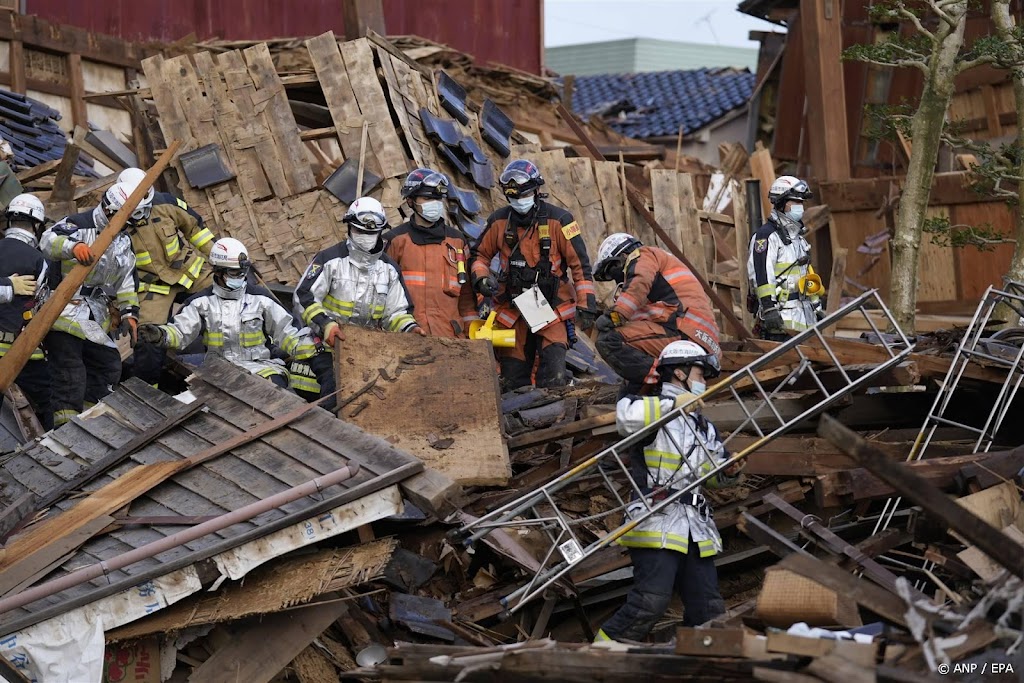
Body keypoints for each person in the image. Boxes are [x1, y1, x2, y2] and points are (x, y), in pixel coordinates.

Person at [595, 340, 742, 643]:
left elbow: (712, 475)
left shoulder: (703, 426)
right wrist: (672, 404)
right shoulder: (645, 405)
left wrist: (729, 472)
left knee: (709, 610)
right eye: (700, 375)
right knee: (649, 602)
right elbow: (626, 419)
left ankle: (700, 668)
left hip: (695, 527)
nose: (704, 383)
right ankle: (594, 661)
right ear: (679, 372)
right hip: (656, 519)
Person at [138, 237, 331, 393]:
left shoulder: (261, 300)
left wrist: (319, 347)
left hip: (263, 369)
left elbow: (289, 335)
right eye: (234, 272)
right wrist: (161, 335)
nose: (240, 277)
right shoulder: (200, 303)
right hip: (218, 372)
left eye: (243, 272)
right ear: (218, 271)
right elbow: (180, 333)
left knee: (277, 402)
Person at [470, 159, 597, 390]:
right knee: (512, 378)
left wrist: (587, 305)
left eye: (523, 195)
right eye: (513, 197)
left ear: (537, 190)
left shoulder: (561, 220)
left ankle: (556, 419)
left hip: (551, 306)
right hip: (514, 307)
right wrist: (481, 278)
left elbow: (580, 266)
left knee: (554, 373)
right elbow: (479, 255)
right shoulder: (499, 221)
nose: (519, 201)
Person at [293, 197, 423, 400]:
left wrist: (410, 329)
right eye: (360, 231)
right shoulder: (329, 260)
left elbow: (397, 312)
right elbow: (304, 297)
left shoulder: (388, 269)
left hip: (369, 349)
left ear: (380, 231)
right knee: (337, 394)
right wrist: (326, 325)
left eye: (370, 232)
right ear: (349, 228)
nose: (365, 236)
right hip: (326, 347)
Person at [41, 182, 141, 427]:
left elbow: (126, 280)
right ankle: (64, 429)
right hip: (62, 311)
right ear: (109, 211)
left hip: (93, 312)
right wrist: (73, 247)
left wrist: (130, 313)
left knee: (107, 365)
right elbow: (47, 240)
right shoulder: (78, 224)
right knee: (70, 372)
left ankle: (92, 421)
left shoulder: (122, 241)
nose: (127, 227)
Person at [116, 167, 217, 384]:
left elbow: (196, 230)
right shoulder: (113, 222)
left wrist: (220, 258)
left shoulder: (166, 203)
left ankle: (222, 368)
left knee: (226, 301)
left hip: (190, 272)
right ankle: (149, 389)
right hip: (152, 287)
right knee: (147, 337)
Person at [592, 233, 721, 395]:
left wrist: (614, 316)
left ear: (622, 257)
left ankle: (662, 381)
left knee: (609, 341)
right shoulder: (662, 267)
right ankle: (644, 393)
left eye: (612, 272)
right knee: (630, 389)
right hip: (695, 336)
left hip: (683, 331)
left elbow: (638, 285)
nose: (616, 278)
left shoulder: (642, 255)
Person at [383, 168, 477, 337]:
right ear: (411, 201)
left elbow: (467, 297)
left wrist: (472, 329)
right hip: (409, 335)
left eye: (437, 199)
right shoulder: (396, 240)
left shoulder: (457, 241)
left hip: (451, 338)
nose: (434, 204)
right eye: (427, 198)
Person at [0, 194, 52, 429]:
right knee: (45, 399)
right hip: (22, 349)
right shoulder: (38, 261)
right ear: (36, 225)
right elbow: (42, 304)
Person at [747, 175, 820, 341]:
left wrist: (817, 307)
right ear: (780, 203)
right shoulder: (766, 237)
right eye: (795, 202)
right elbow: (761, 275)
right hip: (780, 324)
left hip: (805, 320)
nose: (800, 207)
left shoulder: (798, 239)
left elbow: (806, 275)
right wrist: (769, 309)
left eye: (802, 203)